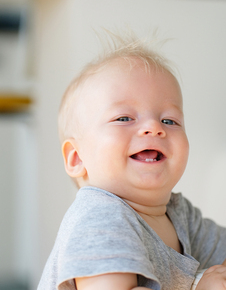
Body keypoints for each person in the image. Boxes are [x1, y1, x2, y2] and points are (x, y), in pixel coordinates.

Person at [37, 31, 226, 290]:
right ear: (77, 158)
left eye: (169, 120)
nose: (154, 128)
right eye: (124, 118)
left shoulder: (181, 216)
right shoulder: (100, 219)